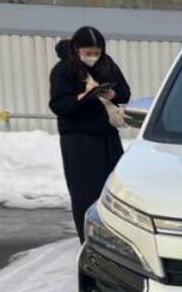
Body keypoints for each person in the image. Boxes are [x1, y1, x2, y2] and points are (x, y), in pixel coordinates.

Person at [49, 26, 131, 242]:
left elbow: (125, 92)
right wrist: (82, 97)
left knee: (114, 190)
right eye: (88, 52)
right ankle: (88, 240)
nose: (93, 57)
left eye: (97, 52)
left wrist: (112, 93)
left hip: (107, 135)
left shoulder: (107, 63)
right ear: (77, 49)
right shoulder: (63, 70)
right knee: (85, 193)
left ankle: (115, 239)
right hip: (79, 139)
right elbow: (58, 105)